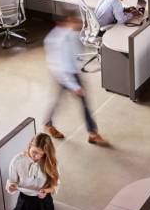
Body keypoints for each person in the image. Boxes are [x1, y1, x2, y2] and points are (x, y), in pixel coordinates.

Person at [43, 13, 108, 145]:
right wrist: (75, 86)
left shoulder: (69, 34)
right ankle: (92, 133)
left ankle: (48, 123)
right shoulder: (58, 41)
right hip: (65, 75)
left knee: (58, 100)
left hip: (70, 74)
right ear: (64, 22)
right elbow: (61, 67)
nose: (78, 23)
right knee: (83, 103)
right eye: (73, 21)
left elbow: (75, 56)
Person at [5, 133, 59, 210]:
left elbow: (55, 185)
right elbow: (12, 183)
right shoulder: (17, 160)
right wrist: (11, 187)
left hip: (44, 203)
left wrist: (45, 191)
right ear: (30, 145)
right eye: (34, 152)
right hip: (24, 202)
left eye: (41, 154)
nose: (37, 156)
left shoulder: (50, 161)